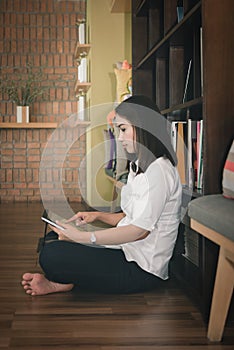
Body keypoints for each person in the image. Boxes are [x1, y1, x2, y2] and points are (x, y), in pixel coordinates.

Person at [21, 95, 182, 296]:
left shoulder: (160, 171)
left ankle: (64, 282)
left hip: (142, 269)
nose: (120, 137)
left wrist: (84, 237)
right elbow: (131, 216)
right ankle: (65, 281)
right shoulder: (140, 166)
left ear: (142, 127)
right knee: (55, 238)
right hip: (127, 251)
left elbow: (139, 231)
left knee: (52, 254)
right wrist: (96, 216)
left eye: (123, 129)